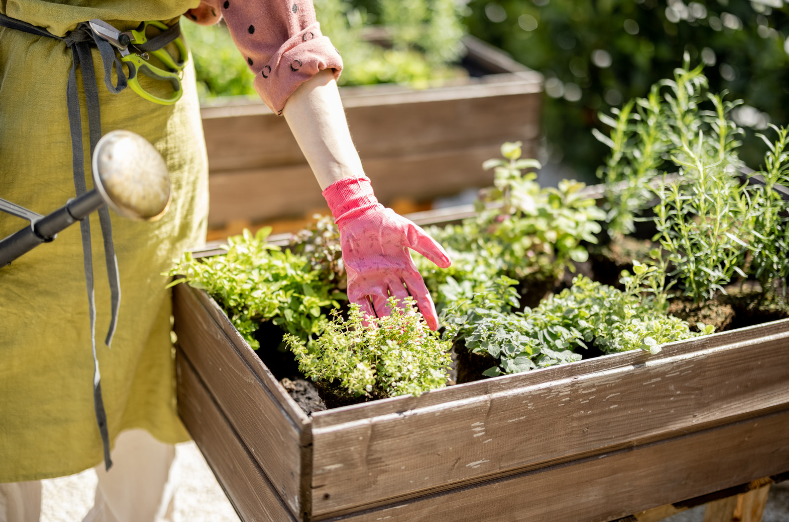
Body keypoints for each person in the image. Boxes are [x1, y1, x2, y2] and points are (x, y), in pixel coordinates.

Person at [0, 1, 451, 520]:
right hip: (20, 121)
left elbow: (284, 36)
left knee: (148, 346)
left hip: (148, 140)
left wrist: (354, 204)